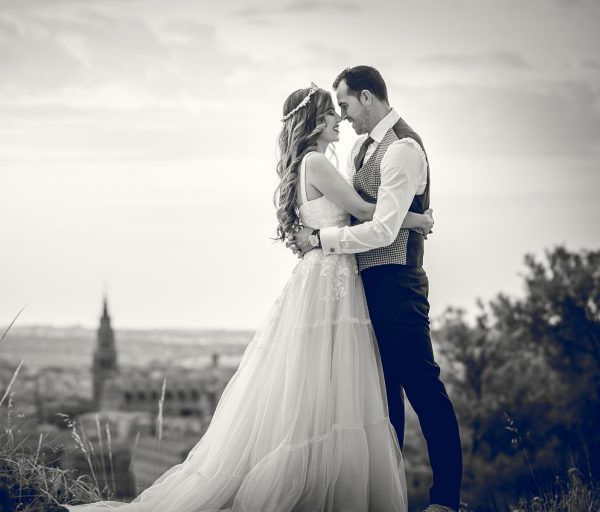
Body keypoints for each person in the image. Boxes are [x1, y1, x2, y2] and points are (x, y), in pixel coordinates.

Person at [65, 83, 435, 512]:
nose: (340, 119)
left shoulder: (304, 164)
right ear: (315, 120)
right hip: (331, 278)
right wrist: (417, 218)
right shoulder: (316, 162)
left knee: (323, 380)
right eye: (332, 113)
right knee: (333, 378)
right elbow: (365, 210)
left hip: (323, 275)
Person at [287, 66, 463, 512]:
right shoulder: (361, 151)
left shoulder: (402, 148)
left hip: (398, 281)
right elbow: (362, 210)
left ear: (367, 97)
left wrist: (323, 240)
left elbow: (382, 229)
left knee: (422, 384)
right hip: (362, 286)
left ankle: (445, 500)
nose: (342, 118)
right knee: (382, 397)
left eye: (345, 106)